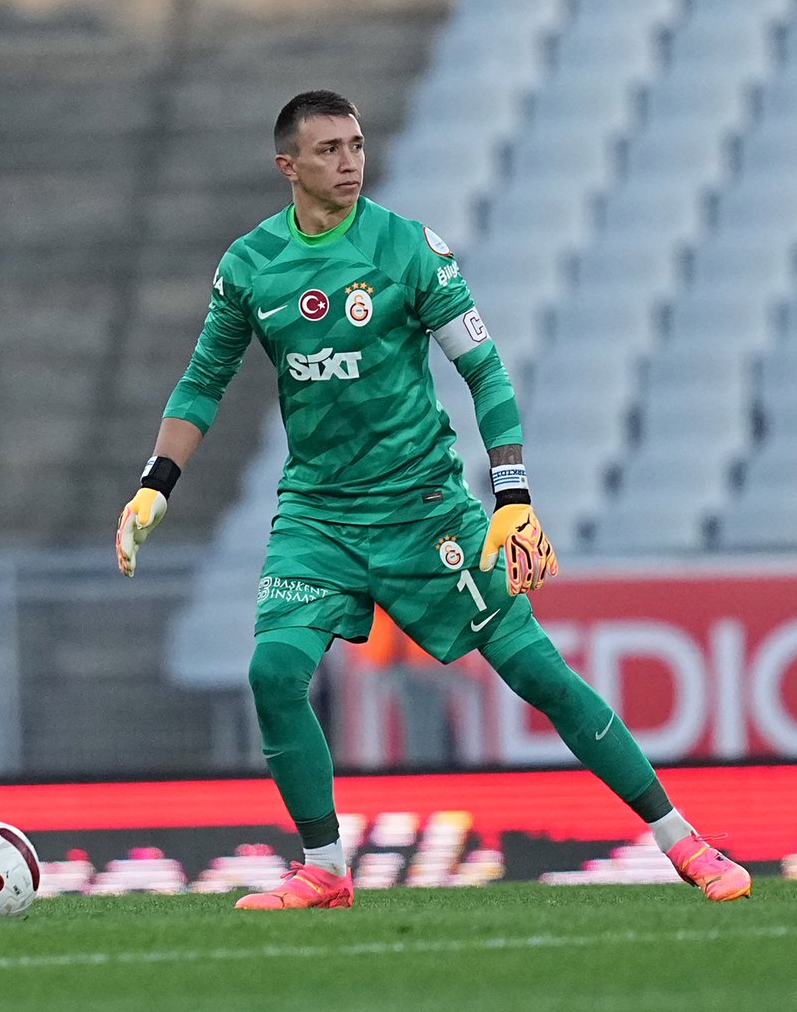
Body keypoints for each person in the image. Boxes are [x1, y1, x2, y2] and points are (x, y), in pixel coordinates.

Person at [116, 90, 751, 909]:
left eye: (355, 144)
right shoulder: (249, 267)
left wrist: (512, 498)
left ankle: (684, 843)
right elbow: (203, 382)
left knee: (537, 673)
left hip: (423, 508)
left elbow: (482, 371)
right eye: (329, 150)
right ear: (288, 167)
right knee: (274, 670)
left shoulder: (407, 250)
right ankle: (325, 868)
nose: (349, 161)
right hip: (318, 513)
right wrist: (152, 488)